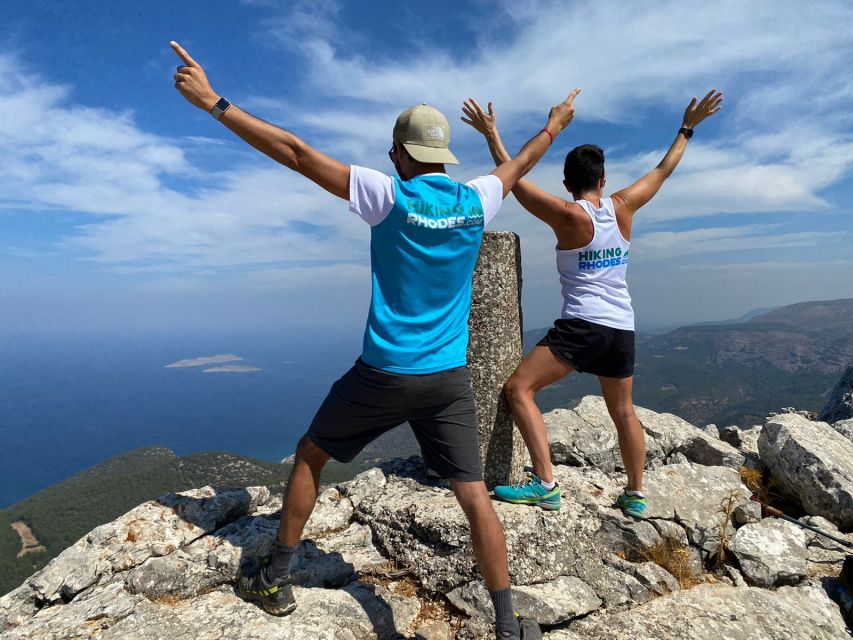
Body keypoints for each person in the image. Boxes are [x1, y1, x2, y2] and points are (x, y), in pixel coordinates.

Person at [170, 40, 581, 639]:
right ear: (441, 155)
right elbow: (521, 163)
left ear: (400, 153)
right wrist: (554, 125)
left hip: (384, 373)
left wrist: (215, 103)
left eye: (393, 152)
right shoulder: (475, 201)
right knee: (473, 496)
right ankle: (506, 623)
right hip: (447, 379)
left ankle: (274, 579)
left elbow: (296, 152)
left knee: (311, 453)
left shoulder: (388, 195)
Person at [462, 90, 723, 518]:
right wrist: (686, 128)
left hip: (582, 326)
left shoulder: (567, 215)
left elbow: (513, 177)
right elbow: (663, 169)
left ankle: (545, 484)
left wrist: (492, 135)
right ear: (603, 180)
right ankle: (635, 494)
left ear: (567, 185)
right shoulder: (624, 206)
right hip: (621, 327)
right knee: (623, 412)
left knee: (518, 389)